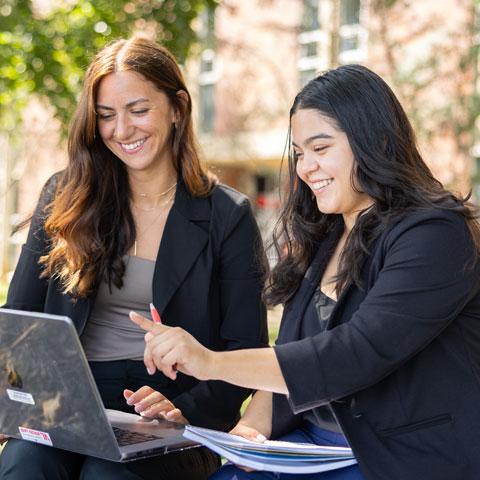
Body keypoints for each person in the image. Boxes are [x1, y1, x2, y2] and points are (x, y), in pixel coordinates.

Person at [129, 64, 480, 480]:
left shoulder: (435, 232)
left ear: (376, 141)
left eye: (321, 148)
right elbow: (292, 353)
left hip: (396, 457)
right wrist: (248, 433)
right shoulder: (328, 235)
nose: (305, 167)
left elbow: (352, 356)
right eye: (298, 153)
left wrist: (210, 363)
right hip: (308, 450)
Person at [0, 35, 268, 480]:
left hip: (169, 415)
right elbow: (20, 319)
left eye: (138, 111)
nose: (121, 131)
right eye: (106, 116)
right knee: (26, 467)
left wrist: (182, 409)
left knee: (106, 477)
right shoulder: (64, 197)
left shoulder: (227, 216)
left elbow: (245, 352)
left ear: (178, 108)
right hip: (64, 404)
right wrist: (11, 403)